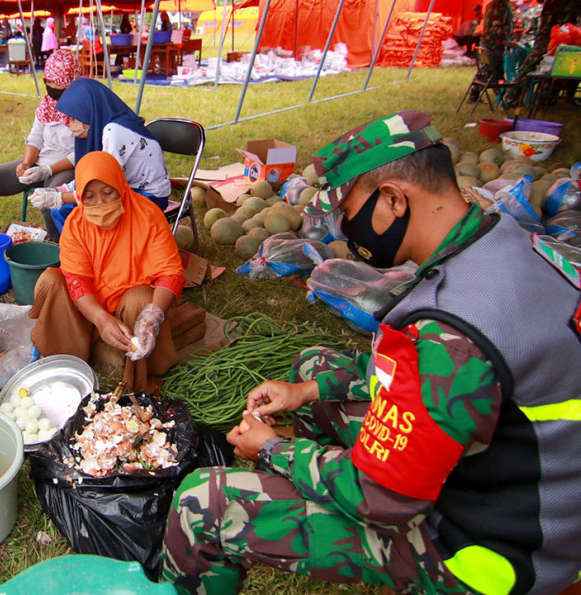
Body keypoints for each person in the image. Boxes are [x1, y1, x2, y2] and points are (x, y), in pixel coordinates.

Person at [161, 110, 581, 595]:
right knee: (318, 365)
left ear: (394, 200)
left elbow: (382, 496)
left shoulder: (453, 331)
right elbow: (421, 380)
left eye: (348, 211)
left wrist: (275, 451)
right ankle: (323, 467)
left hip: (485, 550)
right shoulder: (513, 244)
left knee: (204, 503)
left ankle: (309, 495)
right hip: (522, 478)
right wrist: (306, 390)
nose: (344, 227)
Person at [29, 151, 184, 392]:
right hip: (91, 304)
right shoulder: (76, 224)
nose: (100, 203)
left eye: (108, 193)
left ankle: (140, 377)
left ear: (121, 186)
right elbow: (77, 280)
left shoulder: (148, 214)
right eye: (89, 196)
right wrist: (101, 319)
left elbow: (170, 273)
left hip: (130, 305)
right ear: (79, 196)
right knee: (51, 279)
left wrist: (153, 315)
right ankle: (68, 363)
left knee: (141, 301)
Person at [29, 78, 171, 233]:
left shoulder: (115, 131)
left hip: (149, 197)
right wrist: (58, 190)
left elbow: (102, 185)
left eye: (74, 118)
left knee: (74, 214)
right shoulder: (100, 125)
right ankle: (81, 247)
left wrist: (59, 197)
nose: (70, 124)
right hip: (122, 189)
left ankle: (96, 247)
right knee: (62, 211)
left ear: (89, 112)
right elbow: (92, 175)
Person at [0, 49, 83, 239]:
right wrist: (26, 164)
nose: (52, 88)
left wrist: (48, 170)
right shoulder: (48, 104)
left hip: (67, 167)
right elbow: (35, 137)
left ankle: (59, 248)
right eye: (49, 82)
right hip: (40, 163)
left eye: (58, 84)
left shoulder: (84, 107)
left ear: (72, 83)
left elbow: (81, 152)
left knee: (51, 201)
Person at [470, 0, 522, 102]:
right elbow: (497, 28)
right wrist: (507, 42)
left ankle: (494, 95)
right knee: (490, 69)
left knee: (490, 70)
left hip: (490, 42)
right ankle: (491, 96)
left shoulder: (494, 3)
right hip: (494, 44)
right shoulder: (501, 5)